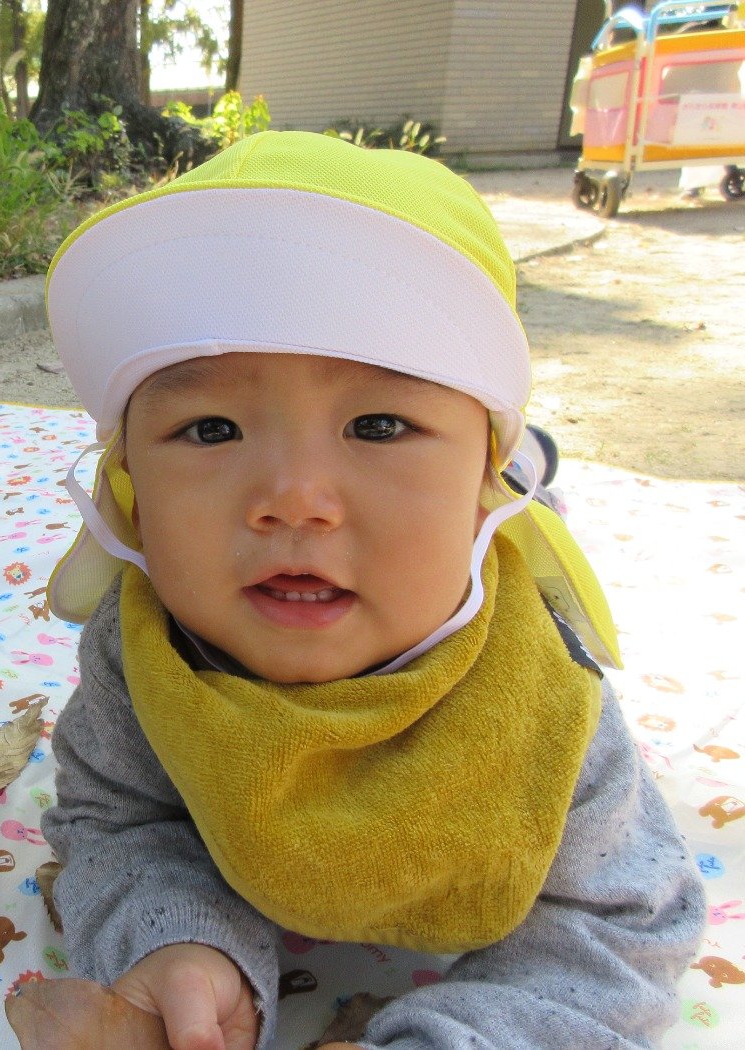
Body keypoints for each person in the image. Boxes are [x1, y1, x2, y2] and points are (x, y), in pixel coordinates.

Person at [39, 131, 705, 1050]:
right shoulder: (144, 660)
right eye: (212, 428)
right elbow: (118, 821)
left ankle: (525, 463)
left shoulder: (545, 693)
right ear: (130, 492)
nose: (293, 500)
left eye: (380, 424)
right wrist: (179, 941)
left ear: (481, 483)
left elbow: (624, 925)